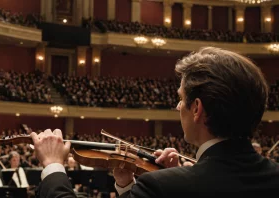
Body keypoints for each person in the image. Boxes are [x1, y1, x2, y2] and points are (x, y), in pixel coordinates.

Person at [30, 47, 279, 197]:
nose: (177, 106)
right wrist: (128, 187)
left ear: (196, 109)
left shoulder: (163, 187)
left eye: (181, 99)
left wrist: (53, 166)